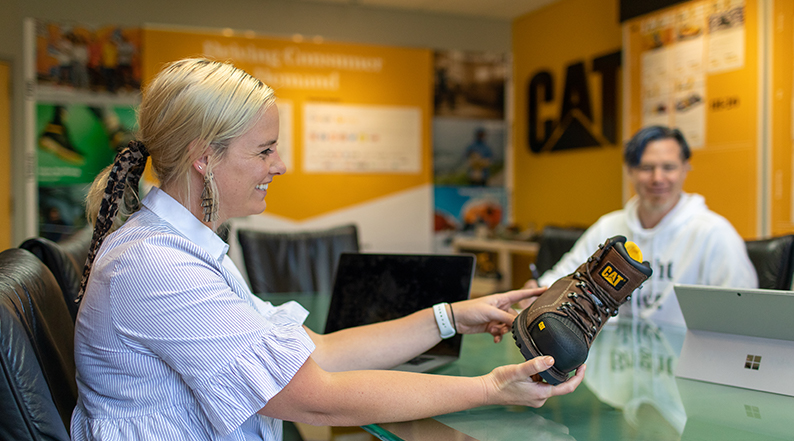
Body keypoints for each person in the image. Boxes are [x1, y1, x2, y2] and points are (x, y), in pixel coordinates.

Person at [71, 58, 585, 440]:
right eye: (265, 150)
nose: (280, 165)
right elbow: (317, 400)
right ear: (205, 157)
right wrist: (490, 389)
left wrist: (450, 317)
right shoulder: (156, 265)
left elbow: (319, 350)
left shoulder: (179, 249)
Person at [524, 125, 757, 326]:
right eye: (646, 168)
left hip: (686, 364)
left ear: (686, 168)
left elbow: (744, 316)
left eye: (669, 167)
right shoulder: (609, 227)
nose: (658, 178)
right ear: (630, 171)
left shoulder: (714, 234)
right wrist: (536, 292)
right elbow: (561, 281)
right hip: (612, 365)